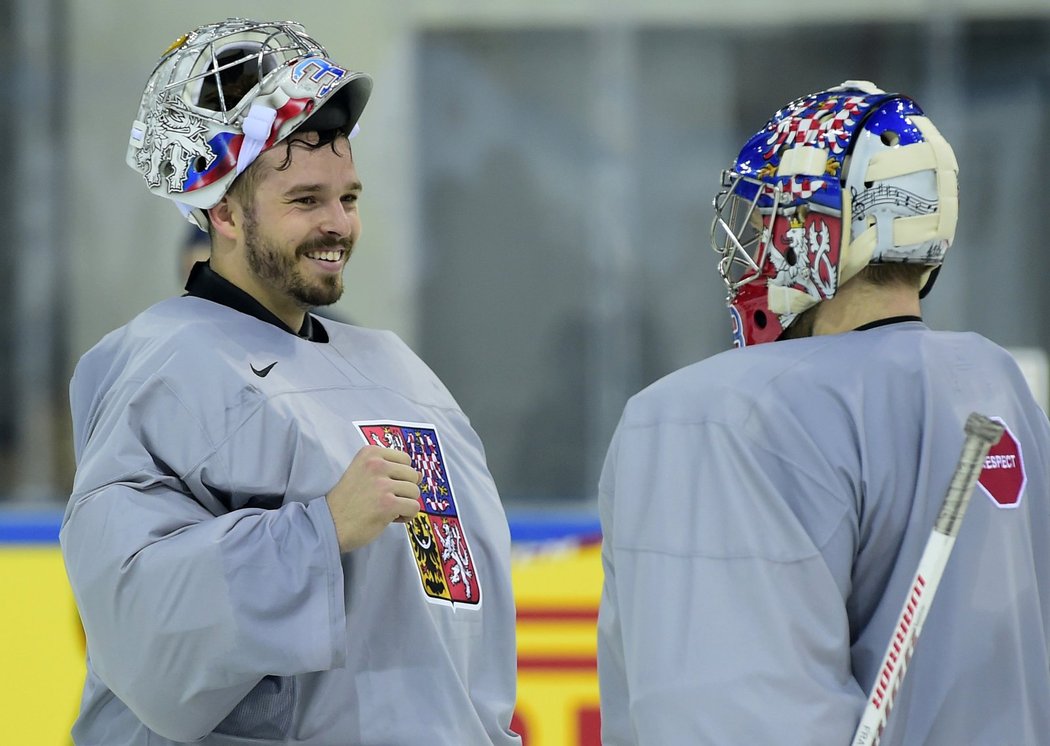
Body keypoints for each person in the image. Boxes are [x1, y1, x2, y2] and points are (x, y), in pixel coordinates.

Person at [60, 18, 521, 745]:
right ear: (222, 212)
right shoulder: (160, 367)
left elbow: (459, 618)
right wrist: (319, 531)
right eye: (306, 201)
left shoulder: (401, 374)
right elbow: (140, 619)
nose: (338, 224)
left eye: (350, 198)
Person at [596, 80, 1050, 744]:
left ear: (817, 229)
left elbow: (722, 714)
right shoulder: (999, 389)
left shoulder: (726, 416)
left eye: (768, 219)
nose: (753, 248)